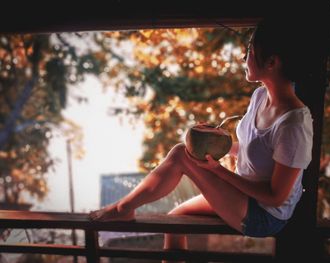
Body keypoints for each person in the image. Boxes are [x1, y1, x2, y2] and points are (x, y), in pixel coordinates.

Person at [89, 14, 315, 251]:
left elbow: (275, 197)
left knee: (179, 155)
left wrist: (219, 171)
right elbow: (253, 149)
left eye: (249, 51)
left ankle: (123, 209)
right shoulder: (260, 97)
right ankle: (124, 209)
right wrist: (211, 143)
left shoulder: (294, 125)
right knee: (176, 217)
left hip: (266, 215)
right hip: (245, 195)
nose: (244, 57)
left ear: (272, 63)